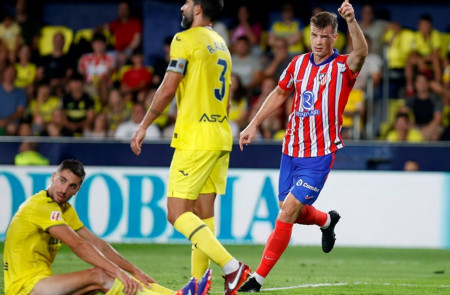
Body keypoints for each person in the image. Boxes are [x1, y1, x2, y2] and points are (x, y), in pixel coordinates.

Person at [238, 0, 368, 292]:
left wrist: (351, 20)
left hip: (319, 154)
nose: (319, 42)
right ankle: (326, 221)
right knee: (288, 208)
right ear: (309, 35)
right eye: (314, 35)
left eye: (325, 36)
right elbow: (279, 93)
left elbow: (361, 52)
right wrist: (254, 123)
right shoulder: (297, 64)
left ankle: (256, 279)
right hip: (291, 149)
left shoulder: (342, 66)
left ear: (335, 37)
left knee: (287, 212)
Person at [130, 1, 251, 294]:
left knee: (176, 212)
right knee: (203, 213)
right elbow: (228, 98)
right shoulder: (221, 43)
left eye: (186, 1)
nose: (182, 6)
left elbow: (169, 86)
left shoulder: (184, 39)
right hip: (220, 135)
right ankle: (199, 284)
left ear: (197, 8)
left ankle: (233, 269)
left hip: (196, 137)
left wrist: (145, 123)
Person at [3, 159, 212, 295]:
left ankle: (176, 294)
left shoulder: (64, 209)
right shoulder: (39, 206)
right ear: (53, 178)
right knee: (101, 275)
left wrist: (133, 270)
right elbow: (78, 246)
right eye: (62, 181)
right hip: (24, 287)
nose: (64, 189)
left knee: (107, 279)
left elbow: (98, 245)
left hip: (40, 283)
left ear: (77, 190)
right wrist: (118, 272)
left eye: (72, 186)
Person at [0, 65, 26, 136]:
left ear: (16, 76)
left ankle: (7, 147)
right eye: (8, 73)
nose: (10, 75)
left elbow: (20, 112)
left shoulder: (20, 92)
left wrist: (6, 120)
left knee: (12, 128)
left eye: (12, 73)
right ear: (3, 74)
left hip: (12, 122)